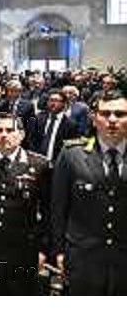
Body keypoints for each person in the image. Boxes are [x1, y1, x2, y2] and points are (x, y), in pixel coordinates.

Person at [52, 90, 127, 295]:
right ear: (94, 119)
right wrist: (58, 250)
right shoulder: (72, 155)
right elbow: (58, 208)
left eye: (120, 114)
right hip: (83, 259)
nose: (112, 120)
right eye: (105, 114)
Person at [0, 114, 50, 296]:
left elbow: (47, 212)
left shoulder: (39, 165)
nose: (4, 135)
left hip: (23, 249)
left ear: (21, 134)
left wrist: (44, 249)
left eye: (9, 130)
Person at [28, 89, 79, 163]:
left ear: (64, 104)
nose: (53, 103)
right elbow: (31, 140)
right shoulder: (38, 119)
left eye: (57, 101)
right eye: (51, 100)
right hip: (38, 162)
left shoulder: (70, 125)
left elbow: (70, 149)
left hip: (58, 164)